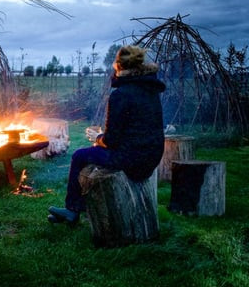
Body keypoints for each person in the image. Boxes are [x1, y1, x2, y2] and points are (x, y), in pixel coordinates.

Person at [48, 45, 166, 225]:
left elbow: (111, 140)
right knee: (89, 153)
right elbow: (138, 129)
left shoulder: (121, 94)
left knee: (80, 156)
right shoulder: (150, 90)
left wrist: (98, 138)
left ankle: (72, 210)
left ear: (119, 66)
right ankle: (77, 209)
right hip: (151, 156)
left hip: (131, 160)